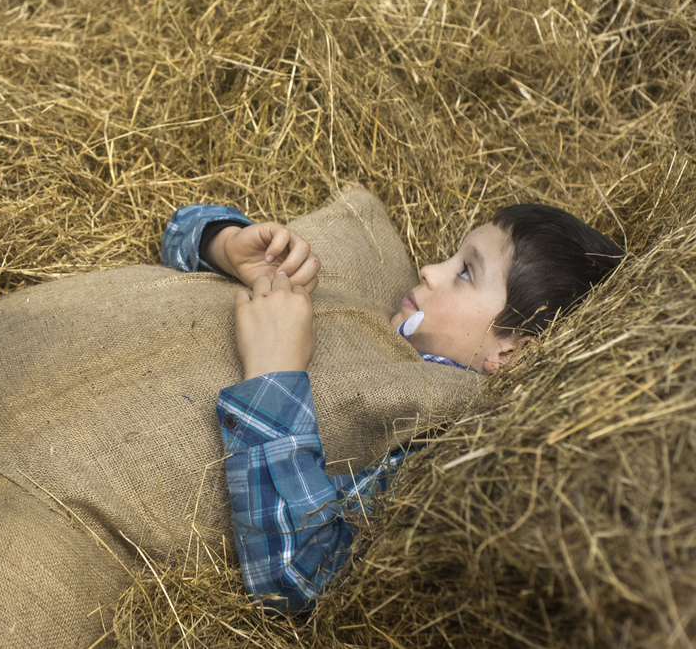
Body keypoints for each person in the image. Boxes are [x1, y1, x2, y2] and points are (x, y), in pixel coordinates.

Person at [162, 202, 623, 609]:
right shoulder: (373, 306)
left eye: (464, 273)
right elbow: (178, 224)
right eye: (452, 256)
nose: (429, 269)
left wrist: (271, 373)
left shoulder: (446, 447)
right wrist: (223, 245)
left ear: (511, 352)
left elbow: (304, 576)